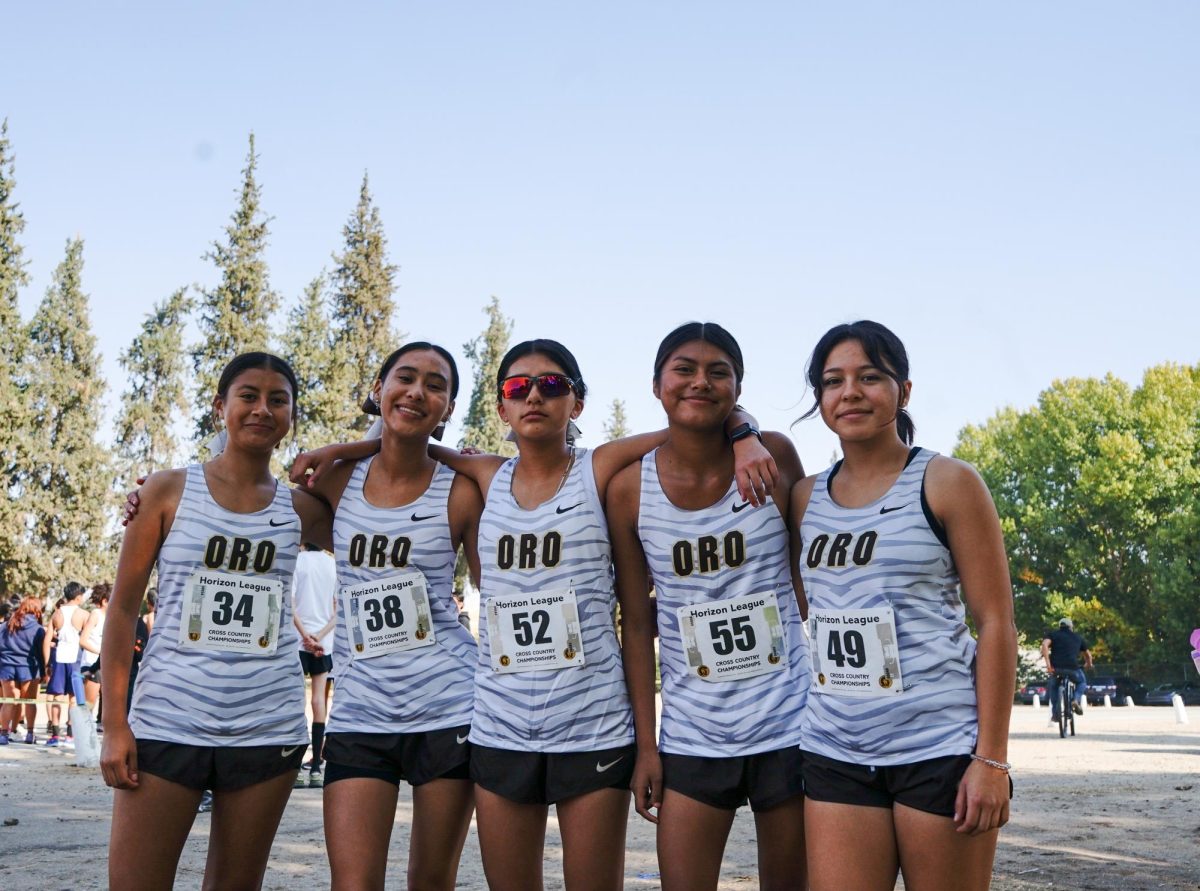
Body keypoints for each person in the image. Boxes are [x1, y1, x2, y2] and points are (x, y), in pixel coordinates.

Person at [293, 337, 775, 891]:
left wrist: (742, 427)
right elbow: (413, 444)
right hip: (500, 726)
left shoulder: (602, 471)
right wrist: (346, 447)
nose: (535, 398)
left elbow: (690, 420)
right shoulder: (486, 476)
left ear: (578, 403)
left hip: (593, 724)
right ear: (501, 407)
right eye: (518, 388)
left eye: (553, 385)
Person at [791, 320, 1017, 891]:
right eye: (833, 380)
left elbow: (995, 623)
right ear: (819, 397)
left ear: (904, 391)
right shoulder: (803, 497)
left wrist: (990, 760)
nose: (851, 393)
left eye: (870, 377)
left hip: (937, 748)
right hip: (835, 749)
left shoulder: (948, 482)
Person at [100, 352, 329, 891]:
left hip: (266, 731)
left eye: (279, 400)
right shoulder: (166, 491)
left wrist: (341, 450)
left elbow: (389, 483)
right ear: (219, 406)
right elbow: (124, 609)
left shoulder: (303, 509)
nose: (262, 409)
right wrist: (114, 723)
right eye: (248, 395)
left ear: (292, 414)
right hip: (167, 722)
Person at [606, 323, 809, 890]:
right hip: (693, 735)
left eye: (718, 371)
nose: (701, 381)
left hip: (789, 724)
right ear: (656, 385)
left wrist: (748, 435)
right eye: (684, 370)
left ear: (737, 387)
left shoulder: (777, 456)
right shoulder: (628, 488)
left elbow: (807, 578)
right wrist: (647, 746)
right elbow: (636, 623)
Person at [295, 342, 483, 891]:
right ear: (378, 389)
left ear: (447, 408)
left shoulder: (463, 489)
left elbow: (496, 588)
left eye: (436, 385)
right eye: (405, 377)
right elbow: (256, 510)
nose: (418, 391)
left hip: (449, 706)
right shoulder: (337, 478)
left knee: (431, 880)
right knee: (353, 883)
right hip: (361, 711)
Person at [291, 542, 336, 788]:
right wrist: (319, 636)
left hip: (298, 642)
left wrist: (305, 635)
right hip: (324, 642)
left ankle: (297, 768)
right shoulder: (333, 564)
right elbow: (337, 610)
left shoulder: (297, 562)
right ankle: (317, 769)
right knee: (319, 701)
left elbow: (290, 604)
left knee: (297, 700)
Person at [0, 596, 47, 744]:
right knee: (29, 702)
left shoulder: (6, 625)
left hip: (7, 667)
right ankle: (30, 734)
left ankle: (3, 735)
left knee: (8, 701)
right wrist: (45, 670)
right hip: (29, 669)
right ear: (37, 610)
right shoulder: (38, 629)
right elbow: (41, 652)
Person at [1042, 618, 1092, 721]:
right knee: (1082, 682)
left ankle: (1055, 714)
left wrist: (1048, 665)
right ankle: (1076, 700)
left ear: (1060, 626)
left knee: (1054, 686)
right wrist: (1088, 665)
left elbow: (1044, 645)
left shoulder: (1053, 635)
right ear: (1071, 627)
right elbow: (1088, 656)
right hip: (1073, 668)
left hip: (1056, 668)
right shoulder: (1078, 637)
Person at [80, 583, 110, 715]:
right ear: (104, 601)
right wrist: (101, 652)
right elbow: (83, 640)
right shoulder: (96, 614)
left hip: (105, 665)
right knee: (88, 706)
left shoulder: (110, 617)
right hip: (92, 664)